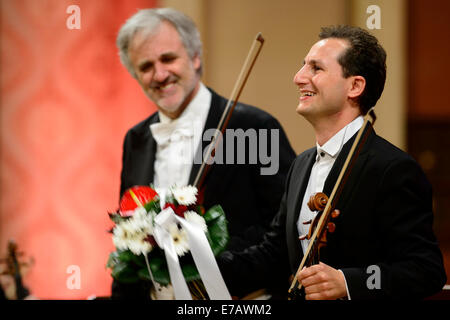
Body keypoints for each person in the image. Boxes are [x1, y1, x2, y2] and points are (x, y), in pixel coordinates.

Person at [218, 25, 447, 300]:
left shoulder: (392, 169)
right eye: (303, 66)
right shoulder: (301, 165)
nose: (298, 78)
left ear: (355, 86)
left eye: (316, 68)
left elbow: (426, 270)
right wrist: (196, 264)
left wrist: (348, 282)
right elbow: (273, 254)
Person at [111, 8, 296, 299]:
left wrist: (219, 271)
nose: (160, 74)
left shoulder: (253, 127)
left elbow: (284, 231)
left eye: (168, 58)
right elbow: (129, 237)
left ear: (195, 57)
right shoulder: (136, 139)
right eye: (145, 67)